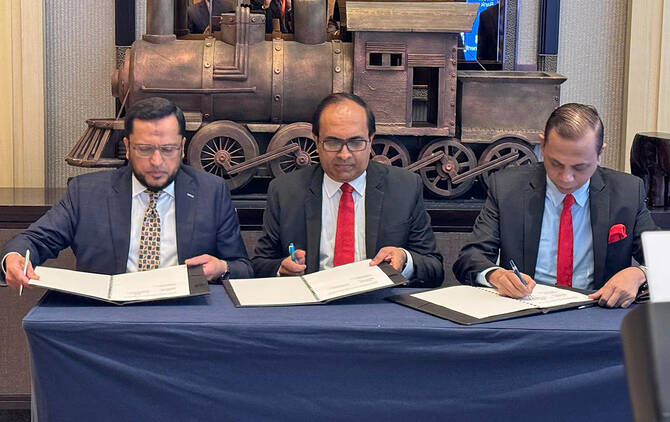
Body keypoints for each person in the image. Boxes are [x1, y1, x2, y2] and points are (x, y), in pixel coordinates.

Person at [1, 97, 253, 290]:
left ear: (183, 147)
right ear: (127, 147)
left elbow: (243, 268)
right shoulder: (86, 193)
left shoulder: (211, 192)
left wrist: (222, 267)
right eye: (144, 149)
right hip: (105, 319)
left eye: (168, 149)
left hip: (184, 319)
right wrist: (14, 258)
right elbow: (33, 240)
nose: (156, 161)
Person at [453, 103, 657, 308]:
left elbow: (663, 258)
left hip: (598, 311)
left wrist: (639, 274)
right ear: (542, 145)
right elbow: (470, 258)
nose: (566, 178)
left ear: (599, 154)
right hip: (525, 309)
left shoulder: (627, 192)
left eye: (580, 167)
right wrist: (496, 276)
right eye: (556, 163)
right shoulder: (507, 188)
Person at [252, 93, 444, 286]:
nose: (344, 155)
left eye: (356, 142)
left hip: (380, 300)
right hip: (311, 299)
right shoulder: (285, 191)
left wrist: (404, 259)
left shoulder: (405, 187)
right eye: (333, 142)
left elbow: (434, 269)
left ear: (371, 139)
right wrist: (281, 269)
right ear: (316, 141)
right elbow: (260, 264)